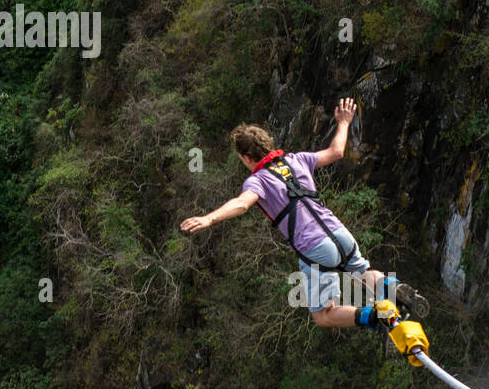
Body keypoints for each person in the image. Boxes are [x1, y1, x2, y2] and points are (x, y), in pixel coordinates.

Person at [179, 97, 426, 329]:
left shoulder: (258, 181)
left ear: (246, 157)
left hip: (315, 248)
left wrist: (209, 218)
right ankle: (394, 287)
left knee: (323, 315)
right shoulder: (297, 160)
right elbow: (337, 151)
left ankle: (376, 317)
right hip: (339, 233)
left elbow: (242, 204)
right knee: (360, 274)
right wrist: (343, 123)